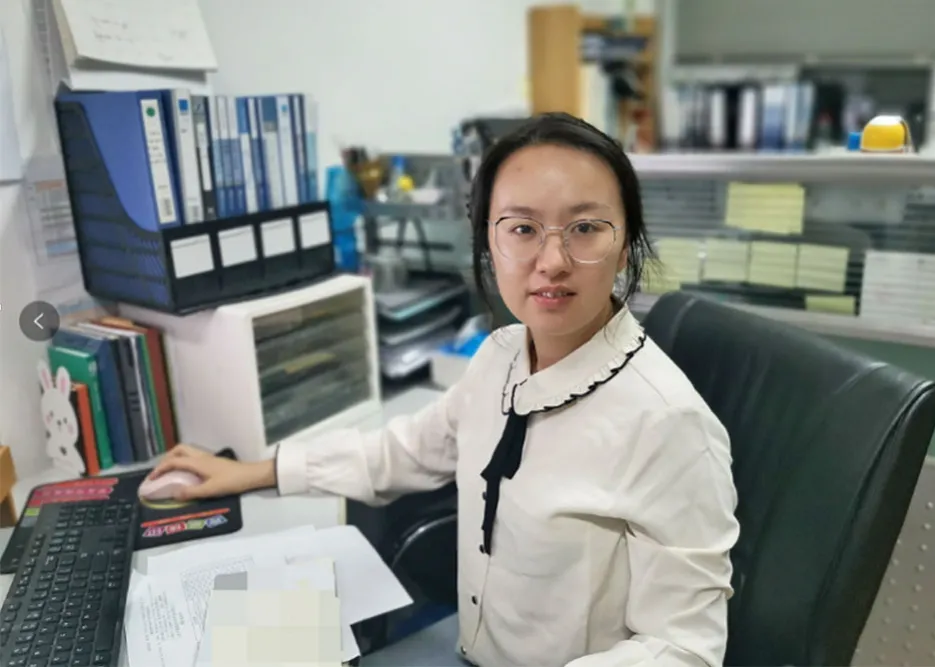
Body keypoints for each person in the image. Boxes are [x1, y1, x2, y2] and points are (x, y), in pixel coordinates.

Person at [149, 113, 741, 667]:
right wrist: (254, 472)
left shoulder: (668, 424)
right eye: (522, 228)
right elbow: (405, 452)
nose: (552, 259)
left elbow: (683, 647)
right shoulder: (500, 356)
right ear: (488, 241)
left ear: (626, 243)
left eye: (585, 228)